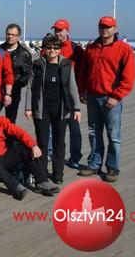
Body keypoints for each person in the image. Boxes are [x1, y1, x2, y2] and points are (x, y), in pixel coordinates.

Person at [78, 16, 135, 182]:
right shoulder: (91, 48)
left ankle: (112, 168)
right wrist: (83, 91)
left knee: (113, 135)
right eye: (102, 26)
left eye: (108, 27)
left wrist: (116, 96)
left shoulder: (123, 49)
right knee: (94, 133)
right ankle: (94, 164)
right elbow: (83, 72)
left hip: (111, 98)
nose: (104, 30)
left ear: (115, 29)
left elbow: (128, 77)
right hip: (92, 97)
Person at [25, 35, 81, 184]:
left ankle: (58, 174)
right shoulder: (37, 64)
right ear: (44, 48)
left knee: (59, 142)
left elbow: (72, 86)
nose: (52, 50)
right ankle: (42, 173)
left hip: (61, 109)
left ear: (60, 49)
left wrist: (77, 108)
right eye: (49, 47)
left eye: (56, 47)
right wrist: (28, 107)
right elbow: (30, 87)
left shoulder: (67, 64)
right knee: (43, 142)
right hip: (42, 108)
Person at [49, 19, 86, 168]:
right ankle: (50, 153)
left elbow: (83, 72)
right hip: (52, 94)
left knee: (74, 129)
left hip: (70, 95)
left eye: (60, 30)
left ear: (67, 31)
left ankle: (75, 157)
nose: (57, 33)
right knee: (51, 127)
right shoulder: (49, 47)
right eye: (55, 30)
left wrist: (82, 91)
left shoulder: (76, 49)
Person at [0, 24, 33, 124]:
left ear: (18, 37)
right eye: (8, 34)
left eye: (13, 35)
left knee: (10, 120)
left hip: (14, 91)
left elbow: (27, 74)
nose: (10, 36)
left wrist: (15, 84)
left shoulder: (24, 53)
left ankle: (9, 135)